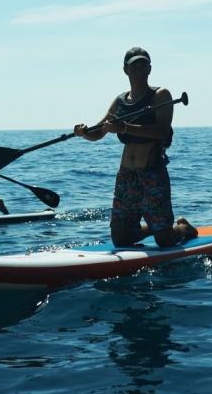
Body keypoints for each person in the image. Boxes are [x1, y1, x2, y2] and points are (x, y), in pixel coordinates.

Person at [73, 47, 197, 248]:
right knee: (121, 240)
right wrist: (84, 132)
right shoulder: (120, 101)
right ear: (125, 70)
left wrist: (123, 127)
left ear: (150, 69)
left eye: (143, 66)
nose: (139, 71)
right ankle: (155, 229)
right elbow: (99, 131)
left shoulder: (160, 95)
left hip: (152, 173)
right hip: (126, 176)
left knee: (165, 240)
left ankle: (183, 228)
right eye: (134, 67)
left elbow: (161, 132)